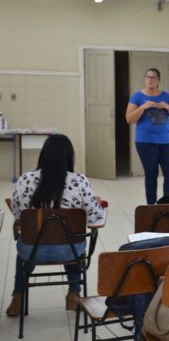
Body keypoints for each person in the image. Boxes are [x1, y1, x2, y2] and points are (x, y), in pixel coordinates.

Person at [5, 134, 106, 317]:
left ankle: (18, 298)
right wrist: (96, 203)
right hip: (70, 251)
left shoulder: (25, 179)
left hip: (32, 251)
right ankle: (74, 294)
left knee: (24, 251)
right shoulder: (80, 181)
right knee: (74, 239)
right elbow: (95, 219)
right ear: (69, 157)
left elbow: (19, 215)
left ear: (43, 155)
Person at [126, 68, 169, 205]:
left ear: (158, 80)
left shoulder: (166, 96)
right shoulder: (137, 97)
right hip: (145, 142)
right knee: (151, 174)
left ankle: (167, 203)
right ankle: (152, 206)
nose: (150, 80)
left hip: (166, 142)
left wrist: (167, 107)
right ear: (145, 79)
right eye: (148, 77)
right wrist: (142, 107)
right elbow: (129, 119)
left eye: (154, 77)